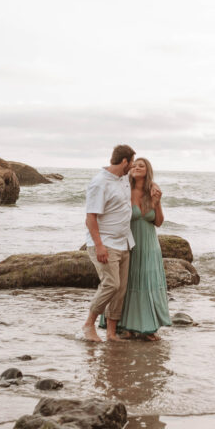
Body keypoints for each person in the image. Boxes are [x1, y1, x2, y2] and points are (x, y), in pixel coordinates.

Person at [82, 144, 136, 342]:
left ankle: (111, 334)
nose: (132, 167)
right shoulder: (99, 183)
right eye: (131, 163)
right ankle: (88, 324)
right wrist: (99, 245)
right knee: (111, 285)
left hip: (124, 243)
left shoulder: (123, 178)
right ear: (124, 161)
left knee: (120, 290)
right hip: (106, 243)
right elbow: (90, 217)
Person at [114, 156, 171, 341]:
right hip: (130, 243)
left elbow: (159, 222)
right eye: (135, 165)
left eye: (142, 166)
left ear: (147, 171)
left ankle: (148, 327)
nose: (137, 167)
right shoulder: (124, 190)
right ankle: (126, 326)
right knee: (128, 283)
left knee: (148, 283)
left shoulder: (152, 192)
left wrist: (157, 202)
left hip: (150, 245)